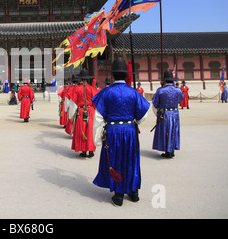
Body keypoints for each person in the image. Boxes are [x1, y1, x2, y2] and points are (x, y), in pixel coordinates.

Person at [92, 59, 150, 207]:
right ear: (126, 75)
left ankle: (118, 195)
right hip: (130, 130)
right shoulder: (134, 92)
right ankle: (133, 192)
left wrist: (97, 138)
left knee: (116, 159)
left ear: (112, 75)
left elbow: (98, 117)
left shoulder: (106, 92)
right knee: (131, 159)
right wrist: (134, 122)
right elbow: (143, 115)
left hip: (112, 131)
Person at [152, 71, 184, 159]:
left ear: (164, 80)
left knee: (165, 131)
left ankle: (167, 150)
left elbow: (155, 102)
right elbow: (180, 98)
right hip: (175, 113)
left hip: (164, 113)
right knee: (173, 130)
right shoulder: (178, 90)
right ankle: (172, 150)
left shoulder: (160, 90)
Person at [67, 69, 98, 158]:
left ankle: (84, 151)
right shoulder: (92, 89)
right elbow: (95, 103)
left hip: (80, 111)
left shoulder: (76, 89)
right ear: (88, 79)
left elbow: (73, 102)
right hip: (91, 111)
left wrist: (71, 114)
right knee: (90, 130)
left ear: (80, 79)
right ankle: (91, 150)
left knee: (82, 130)